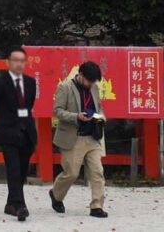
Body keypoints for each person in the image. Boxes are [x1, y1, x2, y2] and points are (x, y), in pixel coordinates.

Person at [49, 60, 108, 218]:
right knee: (72, 173)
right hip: (73, 137)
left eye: (94, 81)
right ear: (80, 76)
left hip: (93, 137)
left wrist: (101, 117)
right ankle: (56, 195)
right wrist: (76, 116)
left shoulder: (94, 88)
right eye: (89, 80)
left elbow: (99, 107)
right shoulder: (65, 87)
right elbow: (58, 111)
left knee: (97, 172)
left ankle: (96, 206)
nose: (91, 84)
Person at [0, 46, 37, 222]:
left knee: (22, 170)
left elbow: (29, 106)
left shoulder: (31, 83)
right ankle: (20, 205)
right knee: (13, 168)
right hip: (8, 132)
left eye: (22, 61)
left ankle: (10, 204)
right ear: (7, 62)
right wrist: (1, 127)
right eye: (15, 60)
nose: (19, 64)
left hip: (27, 132)